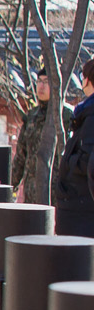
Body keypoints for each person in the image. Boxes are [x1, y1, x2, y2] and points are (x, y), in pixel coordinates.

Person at [54, 58, 94, 236]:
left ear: (86, 80)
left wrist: (70, 163)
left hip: (80, 206)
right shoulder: (86, 113)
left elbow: (88, 160)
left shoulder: (90, 113)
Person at [9, 75, 53, 201]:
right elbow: (20, 158)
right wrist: (10, 188)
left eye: (46, 81)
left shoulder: (65, 118)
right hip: (31, 193)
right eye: (39, 81)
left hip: (55, 194)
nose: (41, 86)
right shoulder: (32, 117)